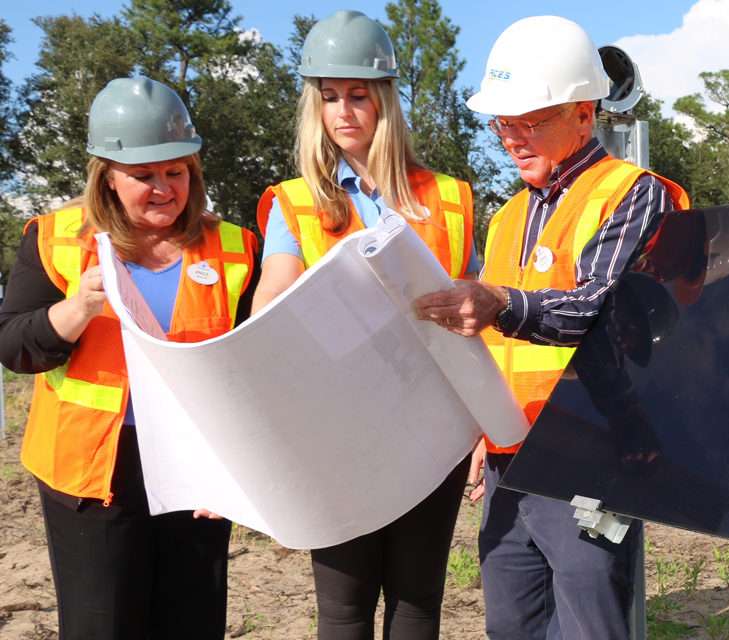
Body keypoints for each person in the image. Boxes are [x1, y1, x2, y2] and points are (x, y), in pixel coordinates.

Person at [413, 15, 690, 640]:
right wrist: (485, 431)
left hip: (589, 452)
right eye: (504, 123)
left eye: (531, 121)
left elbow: (594, 307)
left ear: (585, 114)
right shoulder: (508, 215)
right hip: (514, 457)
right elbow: (495, 342)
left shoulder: (631, 193)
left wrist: (502, 301)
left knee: (591, 627)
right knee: (513, 626)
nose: (511, 138)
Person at [0, 76, 258, 639]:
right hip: (90, 472)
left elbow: (255, 365)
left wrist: (236, 466)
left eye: (177, 171)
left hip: (197, 469)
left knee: (190, 621)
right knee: (103, 624)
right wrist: (75, 310)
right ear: (107, 178)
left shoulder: (236, 246)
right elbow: (13, 346)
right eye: (144, 176)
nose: (164, 188)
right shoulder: (54, 239)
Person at [250, 10, 475, 640]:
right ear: (314, 107)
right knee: (344, 607)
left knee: (417, 599)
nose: (344, 111)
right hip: (337, 427)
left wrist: (483, 424)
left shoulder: (451, 199)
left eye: (358, 95)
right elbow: (270, 297)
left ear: (385, 101)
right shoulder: (296, 203)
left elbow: (474, 318)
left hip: (433, 423)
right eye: (329, 98)